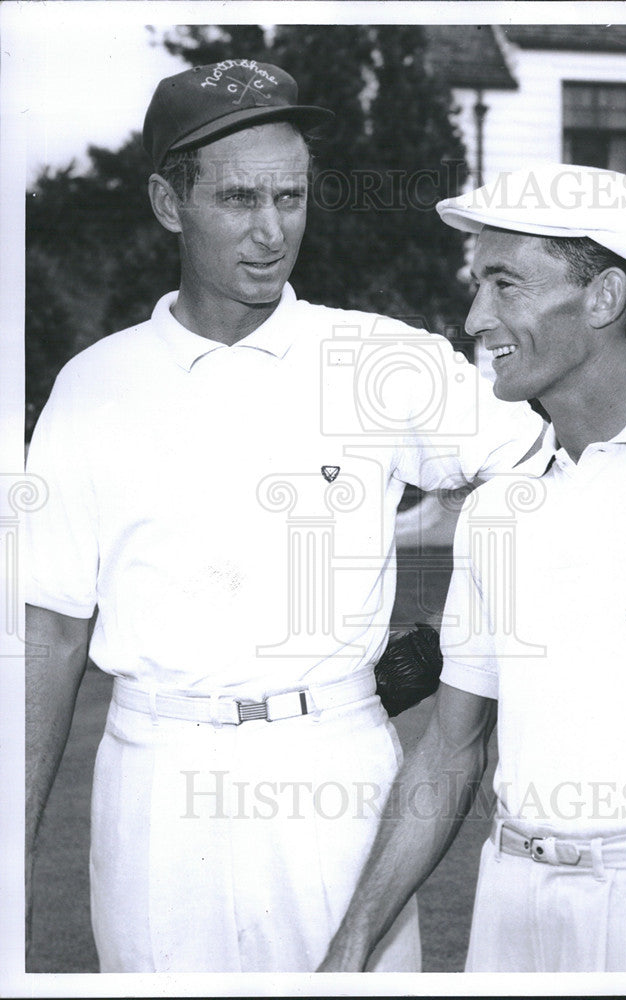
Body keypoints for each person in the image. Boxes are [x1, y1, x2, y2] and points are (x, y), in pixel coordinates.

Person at [24, 60, 543, 973]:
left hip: (332, 768)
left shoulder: (377, 357)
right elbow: (51, 637)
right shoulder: (91, 387)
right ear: (165, 202)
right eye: (237, 199)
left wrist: (463, 639)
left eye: (290, 196)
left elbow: (539, 464)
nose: (271, 232)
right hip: (154, 778)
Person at [319, 162, 626, 973]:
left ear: (601, 300)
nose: (471, 317)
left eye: (503, 284)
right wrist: (348, 948)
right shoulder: (499, 509)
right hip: (505, 906)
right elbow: (449, 753)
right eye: (474, 283)